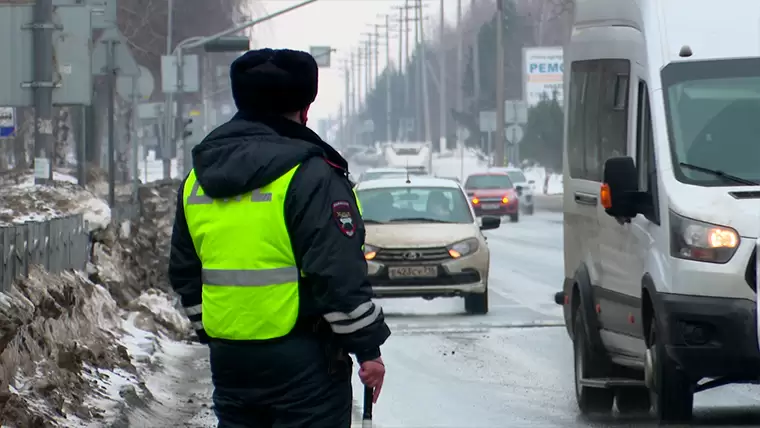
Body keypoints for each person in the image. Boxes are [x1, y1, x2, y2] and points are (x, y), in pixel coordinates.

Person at [168, 48, 391, 428]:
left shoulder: (199, 179)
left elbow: (185, 271)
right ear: (304, 110)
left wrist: (216, 334)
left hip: (230, 360)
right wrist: (367, 348)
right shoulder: (311, 176)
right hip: (304, 363)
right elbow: (335, 274)